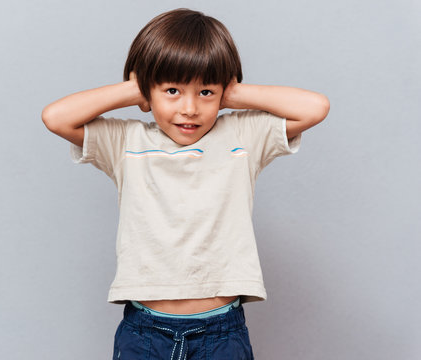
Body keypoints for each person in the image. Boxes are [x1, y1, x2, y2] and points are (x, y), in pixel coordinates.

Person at [42, 8, 329, 360]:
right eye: (173, 90)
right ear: (148, 93)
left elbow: (315, 108)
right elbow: (55, 118)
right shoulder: (125, 142)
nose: (189, 108)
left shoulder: (243, 136)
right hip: (144, 333)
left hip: (221, 332)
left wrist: (229, 93)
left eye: (205, 92)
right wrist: (136, 89)